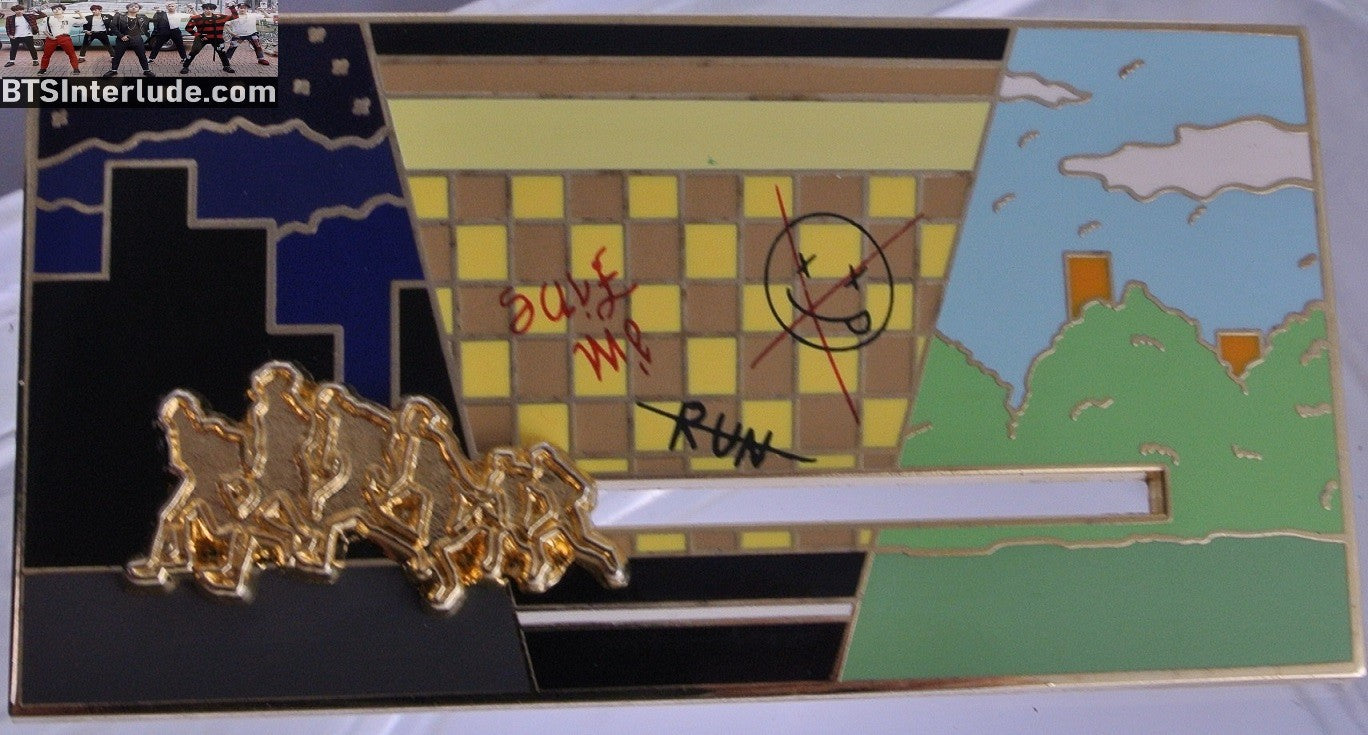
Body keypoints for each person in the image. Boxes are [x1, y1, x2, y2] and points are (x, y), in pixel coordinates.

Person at [181, 2, 232, 74]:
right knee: (193, 52)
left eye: (211, 9)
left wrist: (232, 7)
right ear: (203, 9)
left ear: (214, 10)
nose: (209, 10)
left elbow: (235, 16)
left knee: (221, 52)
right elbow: (188, 28)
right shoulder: (196, 18)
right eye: (206, 9)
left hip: (217, 38)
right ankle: (185, 66)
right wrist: (198, 35)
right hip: (201, 38)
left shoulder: (220, 17)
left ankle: (226, 66)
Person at [106, 2, 154, 77]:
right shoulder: (119, 16)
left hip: (137, 39)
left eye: (136, 7)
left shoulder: (142, 17)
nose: (134, 7)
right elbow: (113, 27)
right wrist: (121, 36)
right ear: (127, 8)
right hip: (122, 39)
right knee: (117, 56)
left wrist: (159, 12)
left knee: (142, 55)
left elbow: (155, 20)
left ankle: (146, 70)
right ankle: (113, 70)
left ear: (139, 9)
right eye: (131, 6)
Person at [37, 5, 80, 75]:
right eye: (54, 9)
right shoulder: (47, 19)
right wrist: (49, 36)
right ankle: (43, 69)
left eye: (59, 9)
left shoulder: (68, 18)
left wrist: (79, 13)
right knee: (46, 54)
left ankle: (76, 69)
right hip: (51, 38)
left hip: (65, 37)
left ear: (63, 11)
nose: (56, 10)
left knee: (71, 54)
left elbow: (84, 21)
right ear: (52, 11)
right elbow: (42, 29)